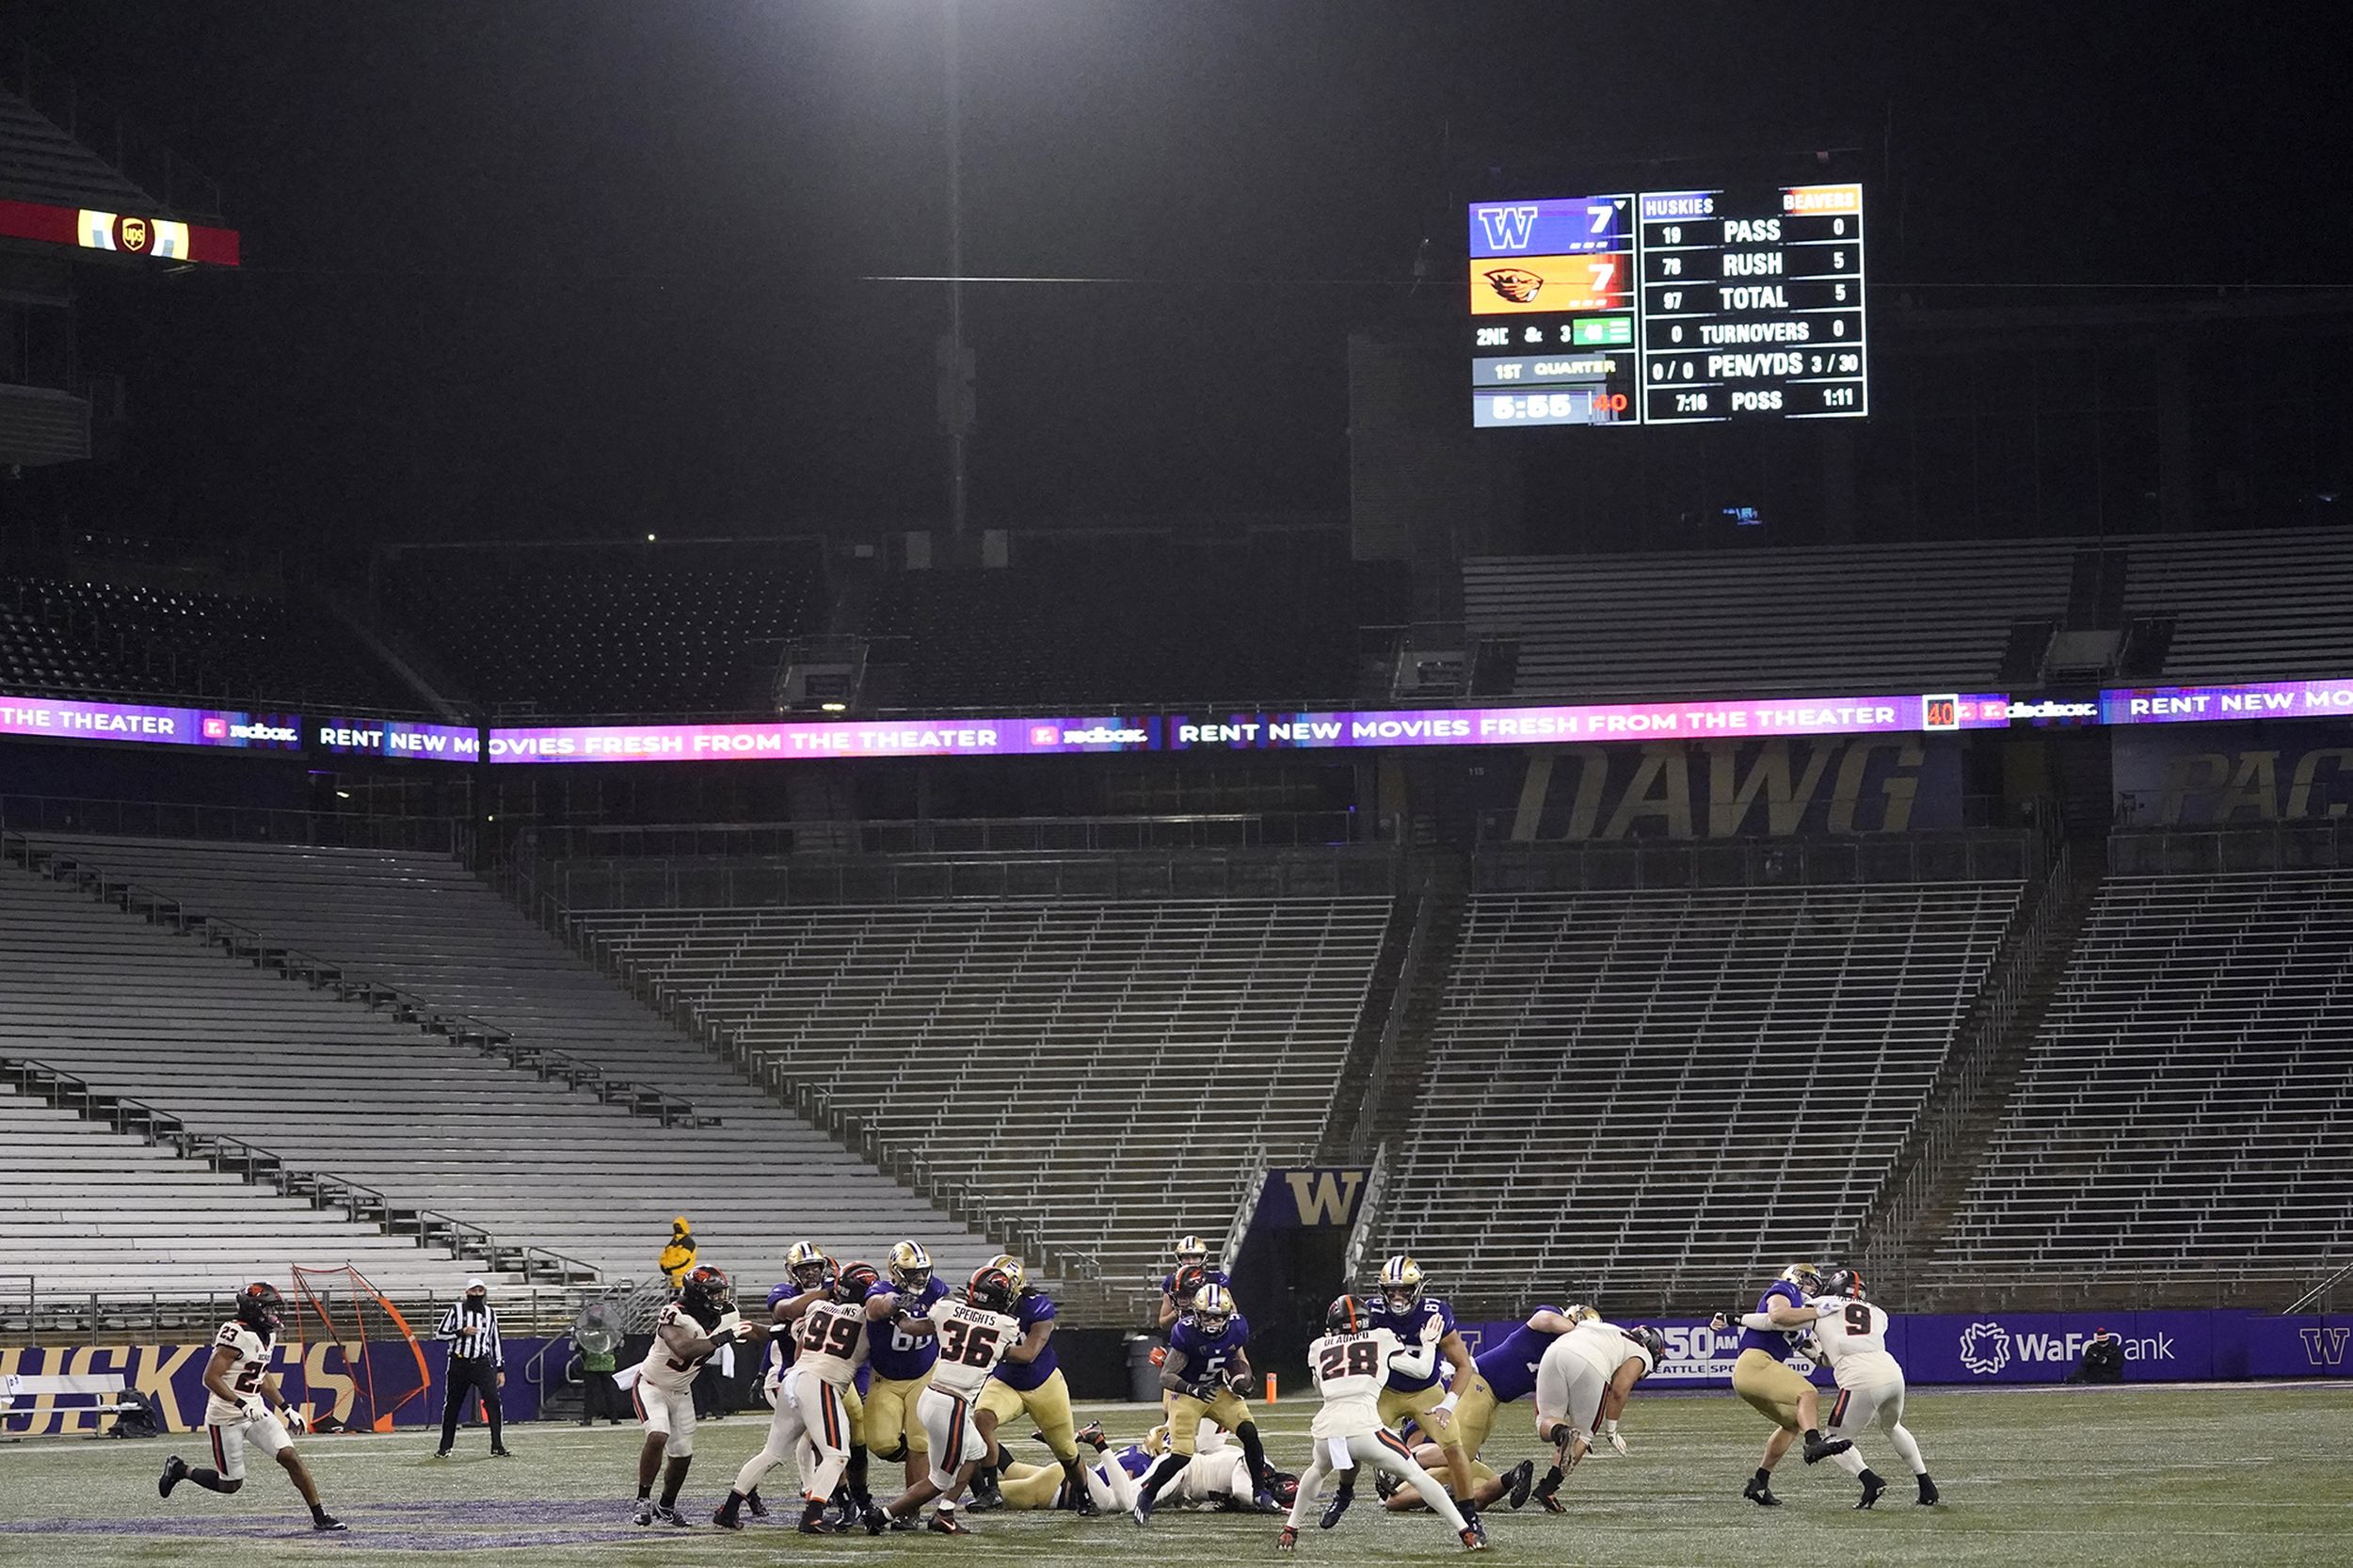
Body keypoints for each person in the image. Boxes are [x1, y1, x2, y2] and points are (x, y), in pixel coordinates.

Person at [1278, 1294, 1483, 1552]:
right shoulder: (1381, 1337)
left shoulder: (1318, 1346)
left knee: (1317, 1470)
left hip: (1327, 1432)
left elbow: (1320, 1385)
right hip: (1365, 1430)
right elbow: (1421, 1371)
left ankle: (1290, 1529)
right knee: (1415, 1475)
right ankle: (1465, 1530)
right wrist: (1428, 1343)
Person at [158, 1282, 344, 1531]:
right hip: (226, 1416)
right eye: (267, 1309)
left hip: (254, 1410)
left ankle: (320, 1516)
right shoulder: (235, 1332)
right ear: (253, 1309)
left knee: (290, 1456)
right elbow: (210, 1377)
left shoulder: (268, 1335)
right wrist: (242, 1405)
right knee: (231, 1484)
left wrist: (286, 1407)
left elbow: (261, 1375)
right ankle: (181, 1469)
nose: (273, 1315)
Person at [868, 1264, 1037, 1536]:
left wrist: (898, 1317)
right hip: (953, 1405)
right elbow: (1014, 1352)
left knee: (976, 1451)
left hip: (932, 1395)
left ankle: (945, 1512)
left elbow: (914, 1326)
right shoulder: (1007, 1325)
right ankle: (881, 1516)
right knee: (939, 1480)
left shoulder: (946, 1310)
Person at [715, 1256, 877, 1533]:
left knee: (773, 1452)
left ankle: (728, 1510)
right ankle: (813, 1515)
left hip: (793, 1378)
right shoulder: (869, 1319)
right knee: (837, 1454)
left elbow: (798, 1342)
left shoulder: (816, 1305)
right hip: (822, 1381)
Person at [1327, 1256, 1480, 1528]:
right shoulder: (1371, 1312)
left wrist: (1449, 1402)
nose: (1397, 1297)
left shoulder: (1435, 1313)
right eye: (1391, 1290)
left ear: (1417, 1289)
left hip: (1426, 1392)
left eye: (1404, 1290)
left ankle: (1469, 1514)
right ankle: (1344, 1492)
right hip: (1385, 1390)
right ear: (1382, 1291)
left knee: (1455, 1448)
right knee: (1348, 1440)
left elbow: (1463, 1365)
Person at [1707, 1262, 1853, 1505]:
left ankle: (1759, 1483)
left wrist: (1839, 1347)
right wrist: (1819, 1312)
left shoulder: (1801, 1313)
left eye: (1814, 1285)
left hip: (1753, 1372)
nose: (1809, 1287)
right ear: (1794, 1277)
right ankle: (1814, 1444)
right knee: (1808, 1394)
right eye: (1806, 1280)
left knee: (1793, 1423)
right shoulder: (1784, 1289)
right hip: (1755, 1363)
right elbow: (1777, 1315)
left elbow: (1819, 1359)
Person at [1134, 1283, 1281, 1520]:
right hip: (1187, 1393)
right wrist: (1192, 1388)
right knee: (1182, 1455)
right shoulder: (1186, 1332)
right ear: (1197, 1314)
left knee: (1250, 1434)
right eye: (1206, 1316)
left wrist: (1244, 1379)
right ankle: (1147, 1495)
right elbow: (1166, 1376)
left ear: (1227, 1315)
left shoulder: (1237, 1328)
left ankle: (1259, 1491)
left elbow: (1239, 1358)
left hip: (1218, 1390)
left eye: (1217, 1317)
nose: (1212, 1322)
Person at [968, 1254, 1095, 1514]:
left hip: (1044, 1384)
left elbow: (1028, 1354)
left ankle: (1084, 1495)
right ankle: (990, 1490)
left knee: (1066, 1451)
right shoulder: (984, 1306)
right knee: (982, 1418)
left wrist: (990, 1348)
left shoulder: (1037, 1307)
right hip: (1006, 1382)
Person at [1802, 1270, 1939, 1508]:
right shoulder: (1878, 1313)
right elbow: (1850, 1343)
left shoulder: (1823, 1303)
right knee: (1892, 1426)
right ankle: (1926, 1484)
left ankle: (1869, 1480)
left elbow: (1780, 1317)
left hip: (1861, 1379)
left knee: (1832, 1439)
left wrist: (1736, 1320)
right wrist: (1819, 1355)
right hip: (1892, 1374)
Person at [629, 1264, 746, 1527]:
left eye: (721, 1292)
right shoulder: (673, 1313)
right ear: (697, 1294)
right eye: (713, 1293)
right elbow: (683, 1349)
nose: (720, 1298)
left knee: (682, 1454)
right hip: (652, 1385)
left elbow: (751, 1330)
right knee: (658, 1434)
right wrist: (723, 1338)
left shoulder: (728, 1313)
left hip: (682, 1391)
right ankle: (643, 1499)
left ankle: (666, 1505)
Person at [1529, 1320, 1662, 1508]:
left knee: (1545, 1420)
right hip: (1590, 1362)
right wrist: (1612, 1430)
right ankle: (1547, 1489)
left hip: (1554, 1352)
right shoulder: (1641, 1352)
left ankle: (1560, 1432)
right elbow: (1619, 1388)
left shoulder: (1609, 1329)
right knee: (1582, 1434)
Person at [863, 1240, 949, 1491]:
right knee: (882, 1444)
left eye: (924, 1271)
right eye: (913, 1273)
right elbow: (874, 1306)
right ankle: (920, 1458)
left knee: (919, 1443)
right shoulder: (881, 1289)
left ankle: (911, 1508)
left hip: (923, 1375)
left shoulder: (937, 1289)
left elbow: (949, 1312)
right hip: (885, 1379)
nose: (921, 1278)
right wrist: (895, 1303)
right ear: (896, 1271)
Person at [431, 1277, 509, 1458]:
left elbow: (494, 1341)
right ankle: (445, 1447)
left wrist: (500, 1368)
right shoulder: (456, 1310)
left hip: (482, 1363)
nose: (477, 1294)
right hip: (459, 1362)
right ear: (467, 1292)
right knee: (453, 1405)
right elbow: (439, 1334)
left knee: (493, 1402)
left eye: (480, 1291)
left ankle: (497, 1445)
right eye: (473, 1291)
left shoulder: (490, 1313)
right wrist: (460, 1332)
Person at [1157, 1235, 1230, 1331]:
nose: (1190, 1262)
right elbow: (1163, 1324)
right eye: (1186, 1257)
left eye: (1195, 1257)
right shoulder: (1173, 1282)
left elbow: (1232, 1315)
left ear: (1203, 1258)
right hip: (1185, 1335)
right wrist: (1177, 1312)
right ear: (1180, 1259)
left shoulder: (1215, 1279)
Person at [574, 1299, 626, 1425]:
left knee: (593, 1394)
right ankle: (613, 1418)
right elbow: (617, 1344)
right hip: (602, 1364)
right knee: (606, 1393)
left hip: (594, 1364)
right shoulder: (608, 1329)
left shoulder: (585, 1330)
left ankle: (588, 1419)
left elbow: (579, 1347)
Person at [659, 1217, 696, 1288]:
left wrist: (667, 1265)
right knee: (672, 1296)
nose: (677, 1228)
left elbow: (681, 1260)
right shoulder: (674, 1241)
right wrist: (663, 1265)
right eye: (675, 1226)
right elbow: (664, 1255)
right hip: (672, 1278)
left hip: (682, 1279)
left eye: (679, 1226)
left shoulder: (688, 1242)